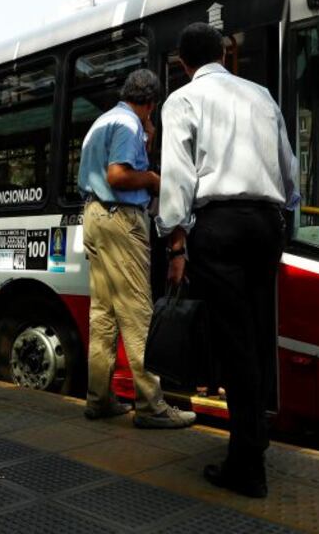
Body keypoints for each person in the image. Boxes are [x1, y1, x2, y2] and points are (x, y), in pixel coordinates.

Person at [158, 22, 298, 498]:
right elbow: (289, 167)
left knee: (235, 342)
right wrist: (283, 208)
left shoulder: (183, 100)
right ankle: (255, 438)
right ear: (223, 52)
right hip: (267, 222)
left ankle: (246, 467)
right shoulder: (260, 94)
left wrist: (175, 243)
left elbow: (176, 178)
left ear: (182, 62)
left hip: (219, 226)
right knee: (257, 336)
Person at [78, 69, 195, 429]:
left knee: (104, 314)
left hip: (94, 217)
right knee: (137, 311)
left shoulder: (102, 122)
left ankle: (99, 398)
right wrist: (155, 179)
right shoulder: (129, 124)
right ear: (150, 103)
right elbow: (119, 175)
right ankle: (151, 405)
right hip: (120, 219)